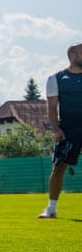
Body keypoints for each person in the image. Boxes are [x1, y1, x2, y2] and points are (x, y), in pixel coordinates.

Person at [40, 43, 82, 219]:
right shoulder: (56, 79)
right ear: (73, 55)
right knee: (58, 168)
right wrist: (56, 129)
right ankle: (51, 209)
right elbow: (51, 107)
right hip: (68, 130)